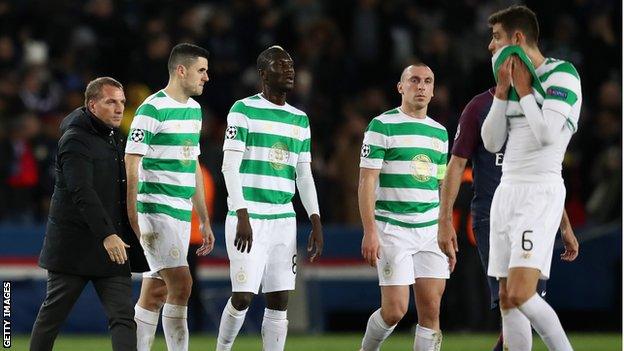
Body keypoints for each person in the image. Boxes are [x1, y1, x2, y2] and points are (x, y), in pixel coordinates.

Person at [437, 86, 579, 350]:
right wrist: (444, 220)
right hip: (492, 216)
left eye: (499, 42)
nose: (494, 48)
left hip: (534, 213)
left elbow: (543, 172)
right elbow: (456, 165)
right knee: (515, 298)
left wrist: (564, 225)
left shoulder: (539, 107)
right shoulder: (479, 107)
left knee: (521, 299)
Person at [480, 5, 582, 351]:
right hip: (506, 191)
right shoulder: (508, 84)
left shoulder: (563, 75)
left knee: (524, 292)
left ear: (517, 39)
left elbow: (548, 136)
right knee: (508, 298)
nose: (491, 47)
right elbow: (492, 141)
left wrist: (524, 92)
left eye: (496, 38)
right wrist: (502, 92)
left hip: (539, 192)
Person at [216, 45, 324, 351]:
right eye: (280, 66)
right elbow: (229, 166)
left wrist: (315, 218)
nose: (289, 70)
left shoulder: (299, 119)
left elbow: (303, 174)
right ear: (263, 74)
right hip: (249, 216)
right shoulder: (243, 110)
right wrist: (242, 213)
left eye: (290, 65)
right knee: (243, 297)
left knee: (279, 299)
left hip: (283, 218)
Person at [30, 77, 149, 351]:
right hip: (75, 247)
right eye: (111, 102)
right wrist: (108, 234)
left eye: (122, 102)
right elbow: (81, 191)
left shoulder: (113, 137)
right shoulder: (74, 140)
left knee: (123, 317)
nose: (119, 108)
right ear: (92, 105)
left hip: (113, 246)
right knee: (52, 317)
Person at [125, 43, 216, 351]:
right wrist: (133, 213)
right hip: (155, 210)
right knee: (182, 284)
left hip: (180, 213)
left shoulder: (194, 110)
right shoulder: (152, 108)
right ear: (181, 70)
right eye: (201, 70)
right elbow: (131, 162)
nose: (206, 77)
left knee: (155, 292)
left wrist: (203, 218)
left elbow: (192, 166)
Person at [359, 63, 449, 351]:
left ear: (433, 91)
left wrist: (445, 229)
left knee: (431, 311)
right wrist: (370, 230)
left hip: (429, 231)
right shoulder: (382, 125)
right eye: (414, 80)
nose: (421, 86)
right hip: (392, 228)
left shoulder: (440, 133)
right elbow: (366, 181)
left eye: (427, 82)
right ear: (401, 87)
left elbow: (440, 185)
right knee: (395, 310)